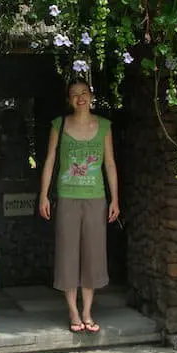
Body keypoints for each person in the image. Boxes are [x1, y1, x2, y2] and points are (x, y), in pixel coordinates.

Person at [38, 78, 119, 333]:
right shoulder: (59, 125)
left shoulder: (104, 126)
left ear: (92, 95)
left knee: (93, 255)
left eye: (84, 92)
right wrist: (43, 196)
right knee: (68, 254)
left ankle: (87, 311)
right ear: (68, 99)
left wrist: (115, 198)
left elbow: (110, 164)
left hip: (96, 198)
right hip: (66, 196)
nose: (80, 98)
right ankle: (73, 311)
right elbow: (50, 161)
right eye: (74, 94)